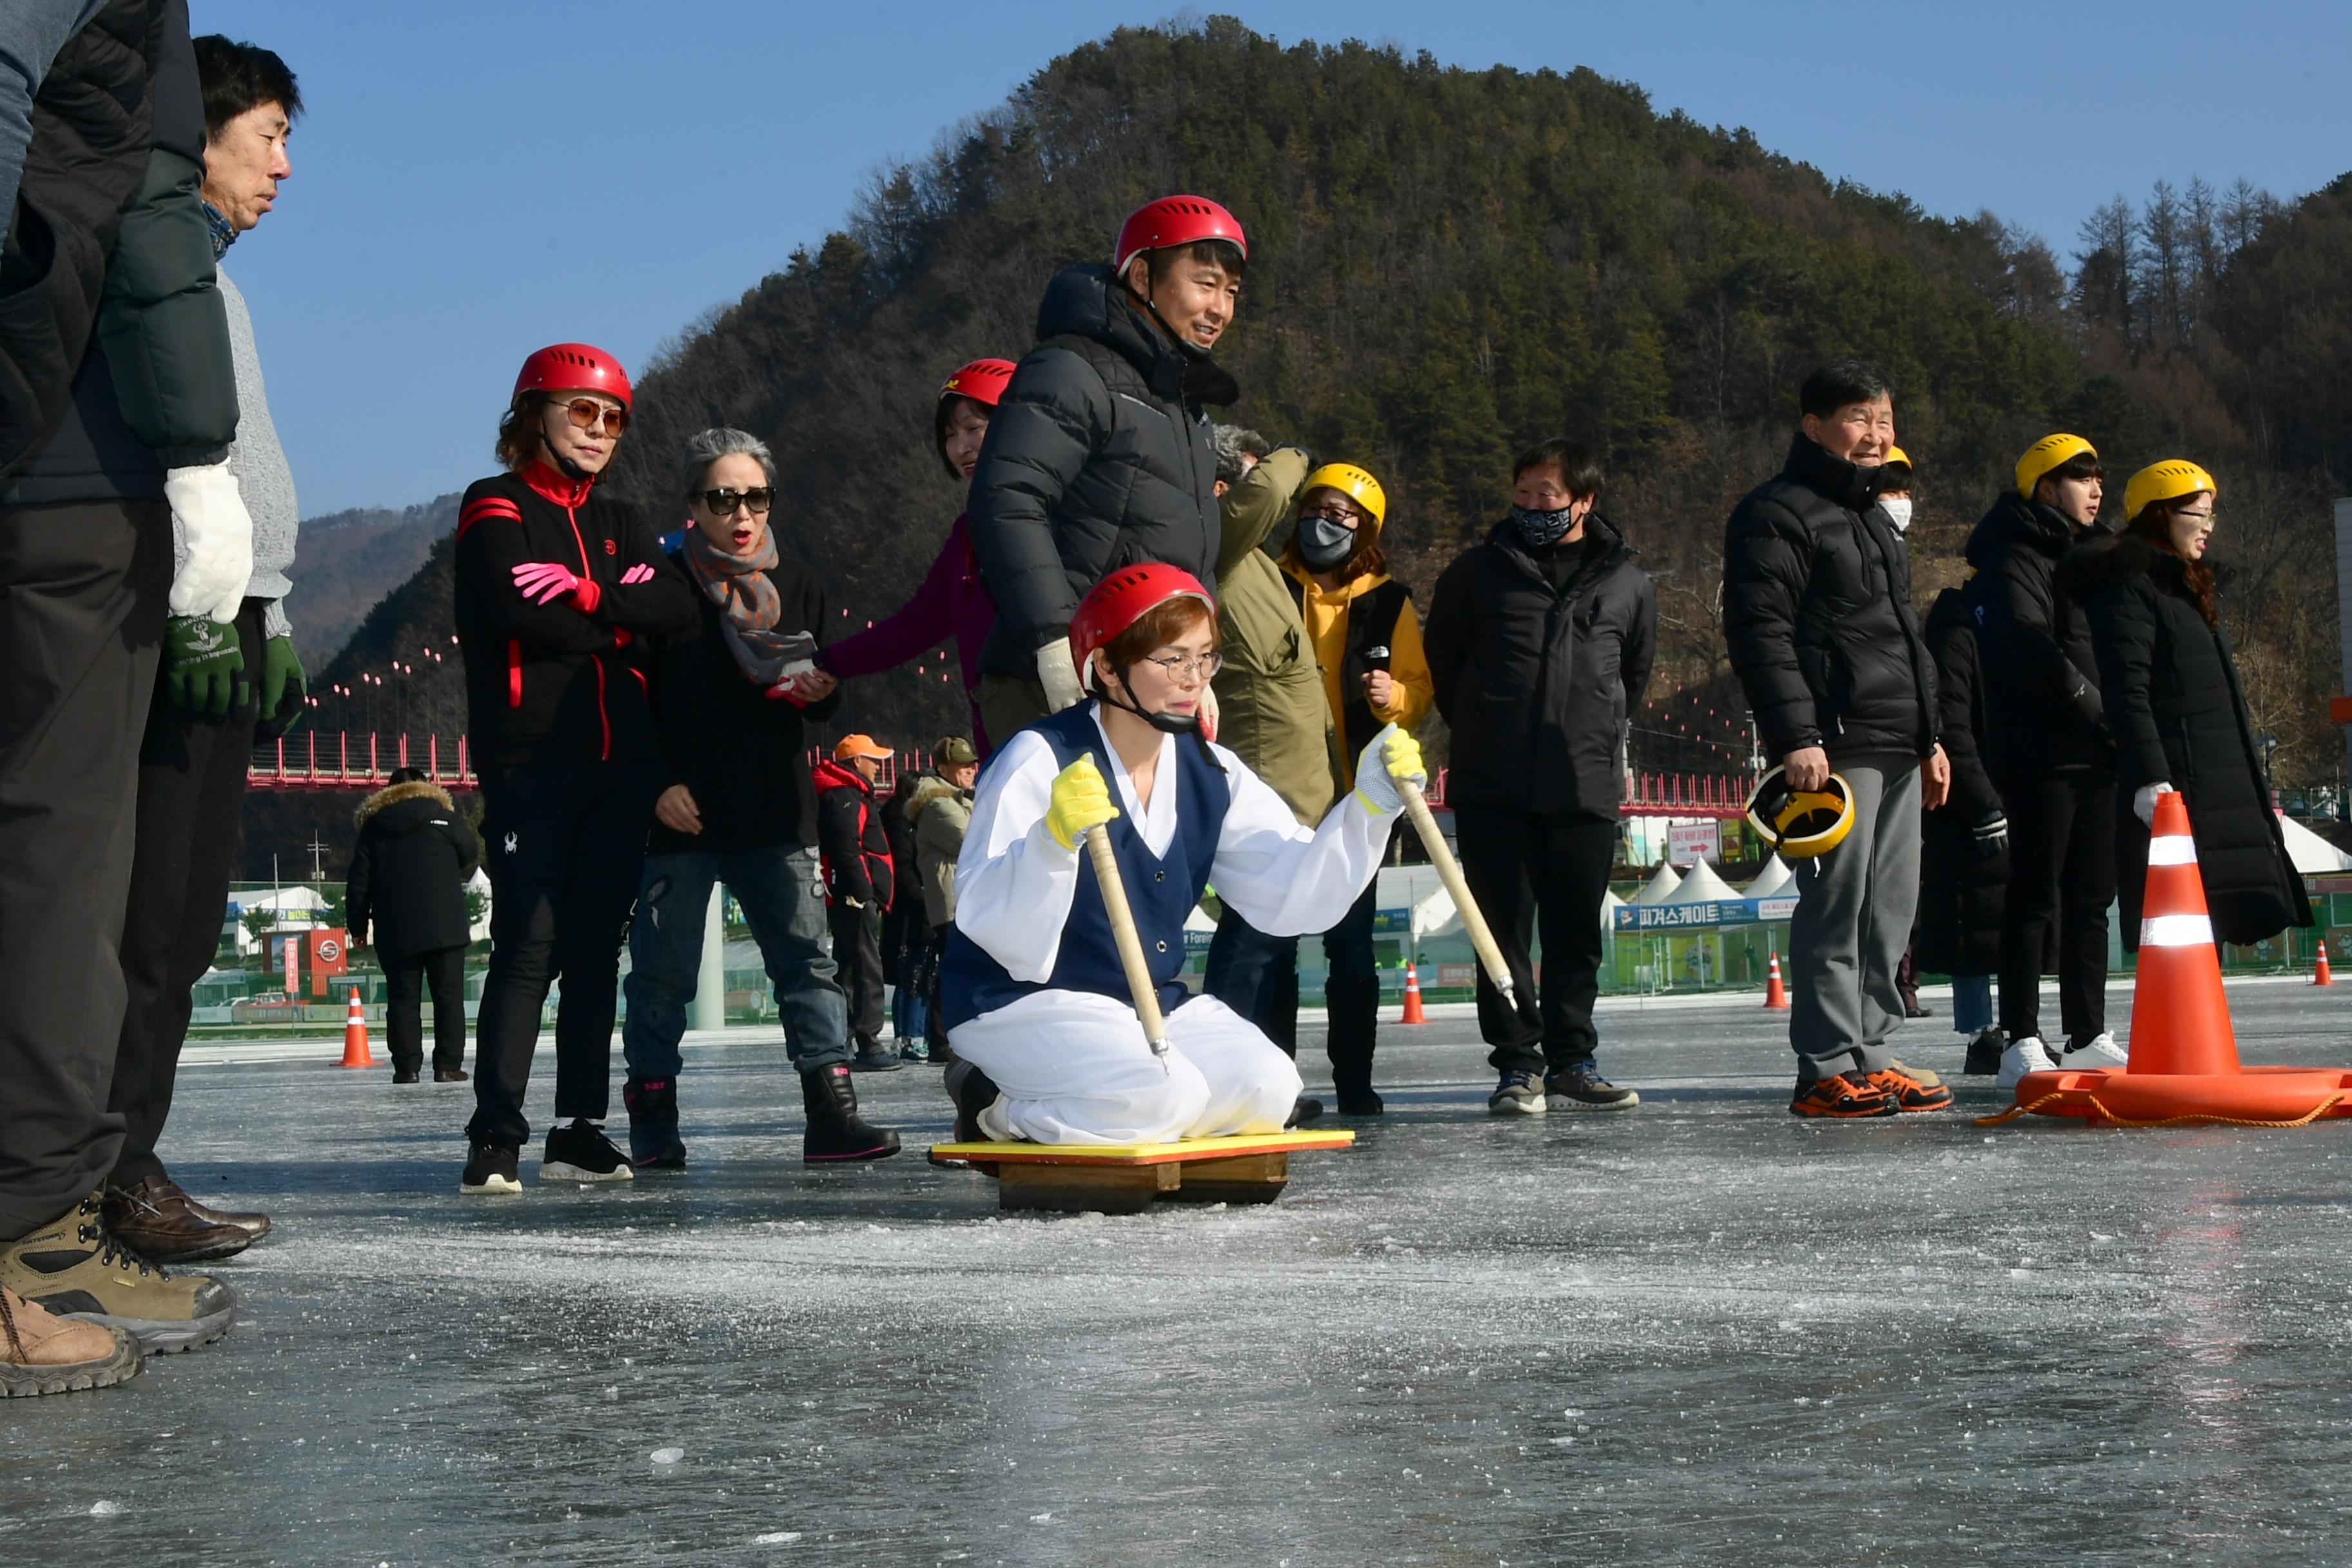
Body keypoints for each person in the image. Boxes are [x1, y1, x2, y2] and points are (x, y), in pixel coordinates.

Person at [0, 0, 246, 1384]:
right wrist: (189, 444)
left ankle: (47, 1213)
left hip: (73, 453)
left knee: (71, 868)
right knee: (60, 860)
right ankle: (29, 1229)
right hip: (66, 461)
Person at [939, 564, 1422, 1147]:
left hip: (1146, 1006)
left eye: (1205, 658)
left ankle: (1110, 1109)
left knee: (1270, 1088)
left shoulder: (1210, 769)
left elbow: (1290, 892)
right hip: (1020, 1003)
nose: (1194, 679)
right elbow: (989, 920)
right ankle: (995, 1106)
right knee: (1162, 1099)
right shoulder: (1039, 758)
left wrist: (1370, 805)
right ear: (1109, 668)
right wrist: (1050, 841)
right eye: (1172, 660)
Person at [104, 34, 310, 1267]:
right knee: (152, 920)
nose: (285, 166)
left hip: (231, 613)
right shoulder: (163, 259)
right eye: (271, 134)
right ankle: (109, 1175)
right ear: (201, 131)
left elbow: (244, 477)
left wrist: (274, 610)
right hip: (186, 617)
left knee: (177, 921)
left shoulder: (216, 275)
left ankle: (130, 1159)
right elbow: (180, 463)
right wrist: (208, 610)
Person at [451, 343, 696, 1195]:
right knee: (530, 945)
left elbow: (672, 606)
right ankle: (496, 1134)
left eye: (613, 417)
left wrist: (591, 597)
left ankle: (579, 1130)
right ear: (534, 416)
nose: (599, 430)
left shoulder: (623, 522)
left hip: (620, 762)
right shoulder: (495, 504)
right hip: (533, 760)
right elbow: (517, 608)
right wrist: (622, 622)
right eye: (581, 411)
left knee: (596, 950)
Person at [620, 429, 895, 1168]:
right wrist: (655, 784)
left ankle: (832, 1113)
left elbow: (820, 707)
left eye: (756, 496)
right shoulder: (662, 584)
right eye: (722, 498)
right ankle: (652, 1114)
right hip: (683, 812)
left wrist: (824, 688)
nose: (741, 513)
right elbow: (627, 698)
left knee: (808, 962)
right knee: (662, 973)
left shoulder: (798, 581)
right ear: (692, 505)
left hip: (777, 803)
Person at [1721, 362, 1953, 1118]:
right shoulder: (1776, 512)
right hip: (1834, 742)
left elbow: (1902, 638)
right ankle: (1824, 1062)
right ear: (1814, 426)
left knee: (1892, 906)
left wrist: (1932, 735)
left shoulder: (1874, 518)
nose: (1877, 434)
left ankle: (1874, 1051)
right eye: (1860, 418)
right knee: (1838, 903)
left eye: (1885, 421)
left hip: (1897, 738)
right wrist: (1795, 732)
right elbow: (1760, 631)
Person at [1427, 440, 1656, 1115]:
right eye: (1523, 493)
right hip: (1493, 783)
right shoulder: (1475, 573)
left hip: (1584, 781)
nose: (1532, 506)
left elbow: (1632, 677)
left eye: (1548, 495)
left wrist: (1597, 727)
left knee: (1574, 933)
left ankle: (1572, 1060)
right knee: (1499, 931)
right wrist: (1486, 722)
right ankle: (1517, 1063)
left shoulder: (1628, 582)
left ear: (1584, 501)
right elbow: (1446, 663)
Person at [966, 195, 1244, 743]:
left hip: (1144, 681)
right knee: (1065, 831)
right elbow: (1008, 498)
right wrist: (1053, 640)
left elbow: (1190, 552)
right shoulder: (1071, 370)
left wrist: (1200, 659)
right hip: (1057, 679)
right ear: (1143, 276)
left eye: (1231, 292)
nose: (1221, 309)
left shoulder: (1185, 407)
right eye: (1205, 284)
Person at [2068, 461, 2311, 963]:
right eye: (2197, 514)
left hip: (2221, 785)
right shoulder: (2132, 585)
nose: (2208, 526)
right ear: (2160, 516)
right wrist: (2150, 776)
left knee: (2213, 921)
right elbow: (2126, 690)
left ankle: (2207, 1037)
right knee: (2183, 926)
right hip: (2182, 784)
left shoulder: (2188, 586)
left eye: (2212, 516)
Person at [1964, 433, 2124, 1085]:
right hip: (2041, 755)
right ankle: (2021, 1037)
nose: (2096, 488)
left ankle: (2087, 1032)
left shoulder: (2098, 557)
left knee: (2091, 900)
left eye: (2099, 475)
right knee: (2034, 897)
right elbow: (2028, 648)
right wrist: (2091, 703)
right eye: (2081, 475)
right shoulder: (2013, 557)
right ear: (2045, 485)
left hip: (2099, 755)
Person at [1200, 438, 1335, 1110]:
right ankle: (1228, 1081)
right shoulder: (1213, 542)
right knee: (1250, 942)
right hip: (1265, 790)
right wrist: (1287, 453)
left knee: (1275, 945)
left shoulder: (1255, 562)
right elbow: (1273, 485)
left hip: (1300, 790)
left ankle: (1269, 1083)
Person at [816, 358, 1014, 754]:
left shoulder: (1070, 513)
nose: (960, 447)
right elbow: (914, 626)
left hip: (1077, 742)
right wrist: (826, 663)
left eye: (974, 428)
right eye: (949, 435)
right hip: (1004, 747)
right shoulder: (967, 535)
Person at [1918, 573, 2009, 1076]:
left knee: (1991, 916)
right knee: (1972, 917)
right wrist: (1982, 800)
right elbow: (1953, 721)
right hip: (1966, 797)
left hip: (1984, 788)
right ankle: (1982, 1031)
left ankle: (2007, 1028)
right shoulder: (1959, 630)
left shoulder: (1988, 626)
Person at [348, 767, 480, 1085]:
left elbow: (358, 883)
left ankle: (407, 1068)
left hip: (396, 929)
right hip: (445, 925)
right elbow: (470, 853)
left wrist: (358, 926)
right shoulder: (444, 818)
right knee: (448, 998)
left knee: (403, 1000)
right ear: (427, 786)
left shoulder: (375, 828)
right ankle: (448, 1066)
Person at [814, 734, 900, 1071]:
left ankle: (846, 1038)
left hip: (851, 895)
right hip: (854, 897)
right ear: (855, 763)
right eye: (872, 759)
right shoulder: (844, 796)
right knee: (866, 968)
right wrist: (864, 892)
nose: (878, 766)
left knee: (850, 968)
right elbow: (847, 847)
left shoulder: (846, 794)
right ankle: (869, 1042)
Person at [907, 736, 980, 1062]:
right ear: (942, 768)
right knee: (953, 971)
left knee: (958, 970)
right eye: (963, 765)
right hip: (952, 903)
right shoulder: (938, 804)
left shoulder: (957, 799)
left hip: (963, 900)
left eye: (972, 763)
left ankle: (947, 1038)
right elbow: (972, 839)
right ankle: (941, 1040)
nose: (971, 769)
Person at [879, 770, 929, 1059]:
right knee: (911, 973)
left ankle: (912, 1034)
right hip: (908, 912)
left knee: (918, 973)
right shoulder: (900, 822)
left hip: (912, 907)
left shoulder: (905, 820)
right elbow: (904, 867)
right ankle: (909, 1036)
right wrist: (924, 898)